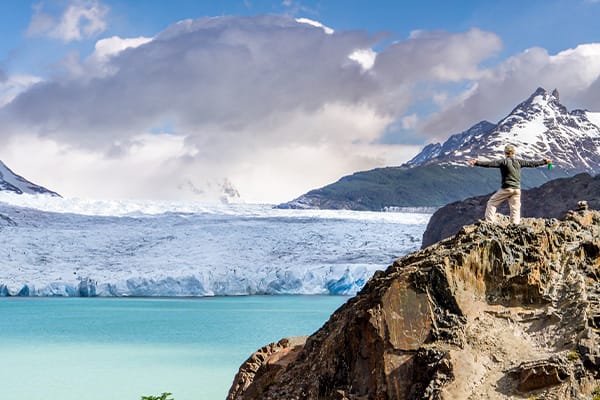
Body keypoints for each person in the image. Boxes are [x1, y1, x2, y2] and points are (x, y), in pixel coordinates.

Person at [469, 144, 551, 224]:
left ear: (505, 153)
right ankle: (515, 226)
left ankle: (489, 223)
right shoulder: (519, 162)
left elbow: (490, 164)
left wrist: (476, 162)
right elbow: (532, 164)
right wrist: (544, 162)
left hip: (507, 188)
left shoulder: (503, 162)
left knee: (492, 203)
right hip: (517, 189)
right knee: (515, 209)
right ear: (513, 153)